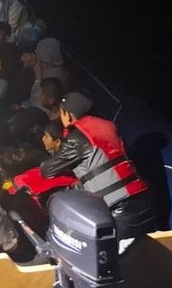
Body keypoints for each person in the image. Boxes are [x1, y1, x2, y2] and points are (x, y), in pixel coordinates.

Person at [40, 92, 158, 242]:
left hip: (120, 210)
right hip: (144, 200)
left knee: (109, 253)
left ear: (67, 115)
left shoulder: (77, 138)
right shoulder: (108, 126)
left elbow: (47, 170)